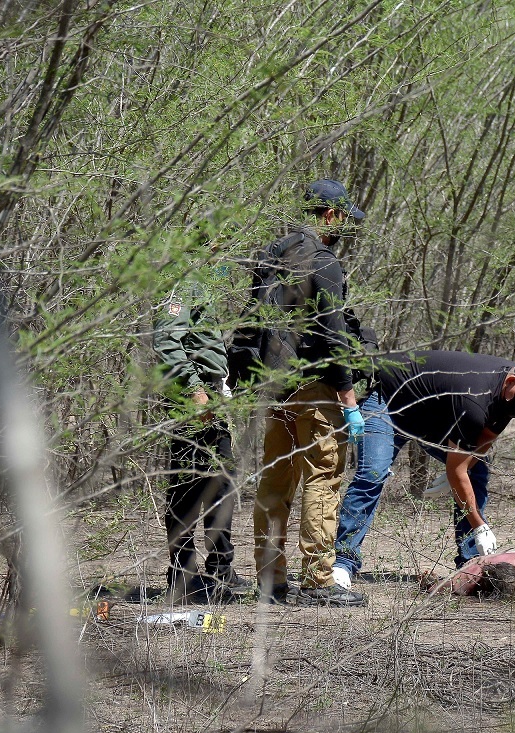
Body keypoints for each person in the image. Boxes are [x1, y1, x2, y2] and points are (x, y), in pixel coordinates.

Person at [239, 179, 370, 607]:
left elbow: (250, 322)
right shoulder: (323, 261)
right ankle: (318, 580)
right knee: (323, 476)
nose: (346, 229)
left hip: (273, 387)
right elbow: (333, 335)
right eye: (345, 219)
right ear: (329, 215)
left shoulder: (270, 254)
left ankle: (269, 579)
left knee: (275, 481)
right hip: (314, 386)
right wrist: (348, 398)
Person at [331, 350, 515, 588]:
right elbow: (457, 470)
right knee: (372, 474)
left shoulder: (508, 395)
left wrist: (464, 468)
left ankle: (471, 565)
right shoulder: (476, 398)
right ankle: (344, 562)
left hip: (428, 418)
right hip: (388, 402)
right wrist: (479, 525)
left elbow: (486, 439)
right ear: (512, 382)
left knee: (475, 472)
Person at [153, 280, 250, 603]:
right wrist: (195, 391)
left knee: (218, 483)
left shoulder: (205, 280)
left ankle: (219, 571)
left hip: (208, 391)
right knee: (190, 486)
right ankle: (186, 576)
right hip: (192, 397)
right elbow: (167, 341)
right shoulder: (181, 279)